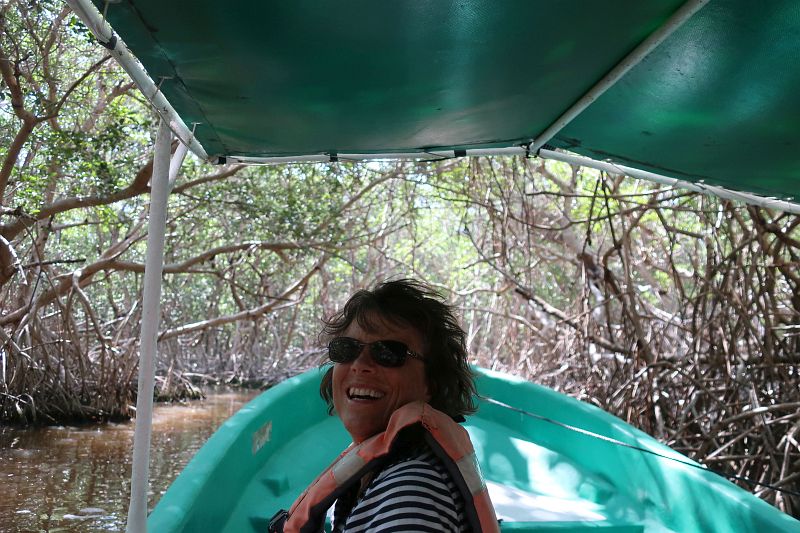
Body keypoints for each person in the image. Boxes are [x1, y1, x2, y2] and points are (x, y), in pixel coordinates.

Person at [270, 279, 498, 533]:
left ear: (431, 383)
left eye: (388, 352)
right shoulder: (385, 473)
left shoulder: (410, 494)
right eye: (347, 349)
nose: (360, 364)